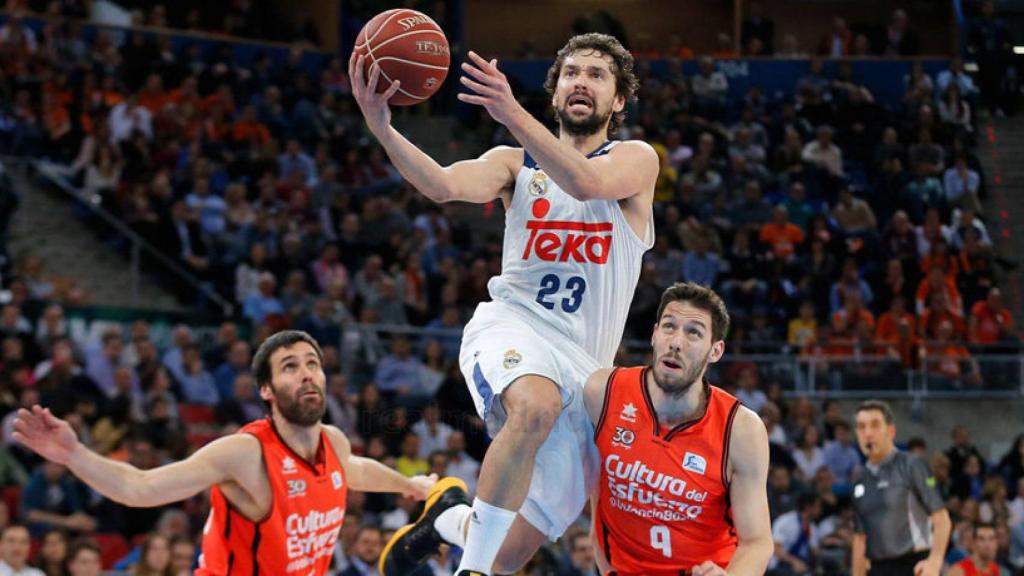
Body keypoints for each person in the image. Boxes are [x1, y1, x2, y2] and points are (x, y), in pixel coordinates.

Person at [353, 33, 658, 576]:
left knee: (511, 551)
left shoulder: (635, 161)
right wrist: (384, 129)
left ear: (618, 102)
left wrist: (511, 112)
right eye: (571, 73)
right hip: (513, 326)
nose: (580, 82)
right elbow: (444, 185)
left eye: (596, 74)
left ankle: (445, 519)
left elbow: (586, 184)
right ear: (556, 92)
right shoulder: (514, 165)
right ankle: (468, 570)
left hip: (589, 372)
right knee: (534, 406)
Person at [12, 330, 437, 576]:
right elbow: (139, 486)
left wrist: (409, 485)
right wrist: (74, 455)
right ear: (266, 391)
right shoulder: (244, 453)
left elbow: (354, 470)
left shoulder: (334, 441)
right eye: (290, 366)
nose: (307, 374)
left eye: (313, 363)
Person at [582, 282, 772, 574]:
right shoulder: (602, 392)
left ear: (716, 351)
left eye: (693, 332)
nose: (676, 342)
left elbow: (757, 542)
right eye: (669, 327)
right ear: (654, 334)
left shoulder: (741, 430)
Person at [851, 400, 951, 576]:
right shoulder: (859, 478)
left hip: (913, 565)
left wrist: (934, 562)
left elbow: (941, 518)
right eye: (861, 427)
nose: (867, 433)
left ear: (891, 431)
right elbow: (860, 539)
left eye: (875, 425)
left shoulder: (911, 465)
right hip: (877, 568)